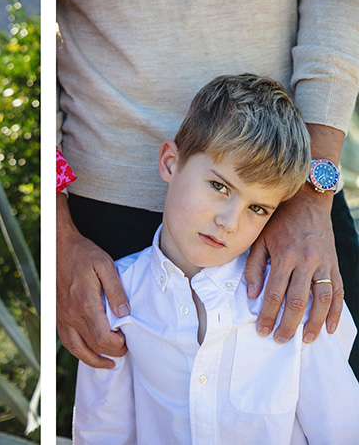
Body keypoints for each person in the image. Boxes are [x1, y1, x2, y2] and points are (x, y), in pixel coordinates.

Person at [56, 0, 359, 377]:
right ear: (170, 160)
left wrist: (310, 196)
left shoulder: (285, 202)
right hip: (105, 203)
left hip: (289, 194)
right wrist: (58, 237)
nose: (227, 221)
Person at [73, 74, 359, 443]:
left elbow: (341, 430)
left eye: (257, 207)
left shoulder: (295, 300)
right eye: (219, 186)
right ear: (170, 162)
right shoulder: (114, 300)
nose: (228, 221)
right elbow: (101, 433)